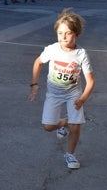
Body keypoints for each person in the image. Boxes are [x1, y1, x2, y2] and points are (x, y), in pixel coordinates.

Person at [28, 9, 95, 170]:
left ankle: (70, 154)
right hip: (54, 94)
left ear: (76, 34)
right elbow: (38, 62)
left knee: (76, 125)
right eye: (60, 33)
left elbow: (91, 81)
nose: (63, 37)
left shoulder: (81, 54)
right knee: (48, 127)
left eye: (68, 33)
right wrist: (34, 84)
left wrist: (82, 99)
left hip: (74, 94)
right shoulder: (52, 49)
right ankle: (64, 123)